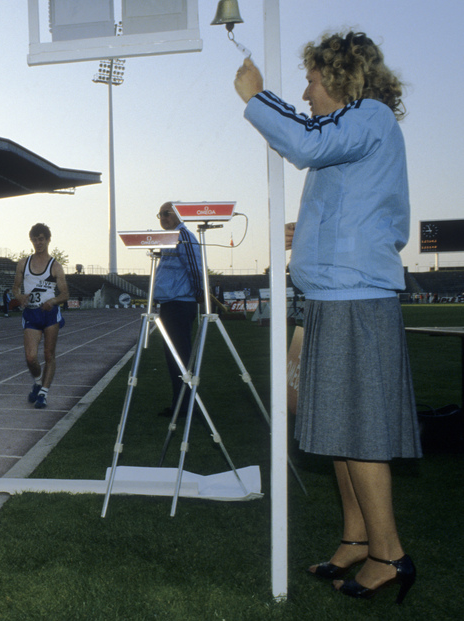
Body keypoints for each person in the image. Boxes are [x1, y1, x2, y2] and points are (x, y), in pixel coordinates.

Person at [234, 31, 421, 603]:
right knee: (339, 425)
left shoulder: (370, 117)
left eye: (314, 80)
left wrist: (255, 97)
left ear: (342, 80)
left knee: (359, 429)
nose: (309, 91)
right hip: (334, 295)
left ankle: (390, 554)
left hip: (355, 298)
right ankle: (357, 537)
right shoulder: (353, 128)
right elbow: (331, 171)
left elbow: (307, 143)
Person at [154, 202, 204, 417]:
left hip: (180, 304)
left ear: (177, 215)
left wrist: (199, 295)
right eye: (160, 214)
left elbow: (196, 268)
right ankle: (180, 404)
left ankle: (185, 407)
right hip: (169, 304)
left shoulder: (184, 236)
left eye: (166, 214)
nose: (162, 218)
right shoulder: (170, 238)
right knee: (173, 357)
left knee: (180, 356)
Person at [11, 223, 69, 409]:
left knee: (48, 354)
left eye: (41, 239)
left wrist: (52, 302)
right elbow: (15, 288)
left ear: (48, 240)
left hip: (50, 314)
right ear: (31, 241)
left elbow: (65, 294)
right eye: (35, 239)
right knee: (30, 357)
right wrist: (20, 296)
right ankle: (37, 382)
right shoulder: (23, 264)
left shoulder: (55, 267)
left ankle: (43, 394)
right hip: (32, 313)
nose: (38, 243)